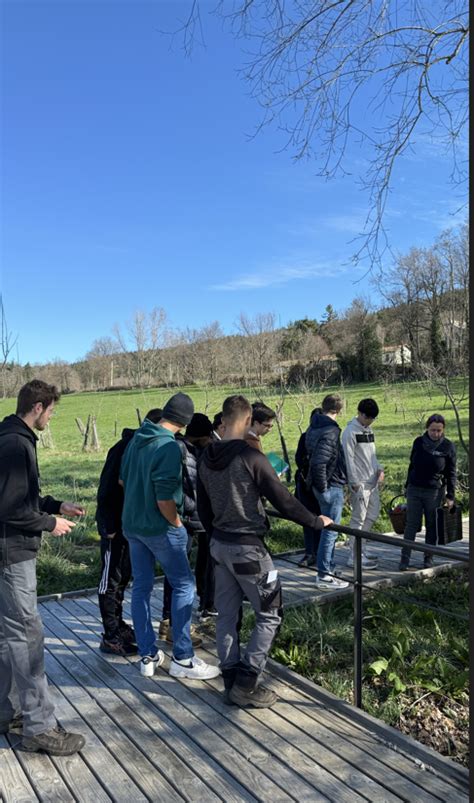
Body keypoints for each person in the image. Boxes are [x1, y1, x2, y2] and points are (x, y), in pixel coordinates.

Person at [197, 394, 332, 708]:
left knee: (227, 617)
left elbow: (203, 507)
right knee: (271, 612)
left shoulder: (205, 457)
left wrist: (216, 534)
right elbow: (283, 499)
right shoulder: (250, 457)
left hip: (219, 546)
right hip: (249, 551)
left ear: (223, 419)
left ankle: (230, 680)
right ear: (246, 421)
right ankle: (246, 683)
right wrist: (315, 521)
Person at [0, 380, 86, 756]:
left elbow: (21, 497)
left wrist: (54, 505)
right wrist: (50, 524)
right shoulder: (16, 444)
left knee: (8, 637)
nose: (52, 417)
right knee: (27, 638)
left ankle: (4, 712)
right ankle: (39, 727)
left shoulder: (8, 436)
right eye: (51, 411)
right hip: (12, 554)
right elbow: (10, 508)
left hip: (6, 551)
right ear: (37, 406)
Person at [120, 392, 219, 680]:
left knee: (140, 588)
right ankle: (184, 658)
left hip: (133, 526)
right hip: (162, 527)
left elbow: (123, 480)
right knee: (184, 586)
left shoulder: (137, 438)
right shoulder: (168, 447)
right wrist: (176, 523)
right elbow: (166, 497)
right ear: (186, 423)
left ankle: (148, 656)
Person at [96, 408, 163, 656]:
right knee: (110, 580)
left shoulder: (144, 448)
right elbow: (106, 489)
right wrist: (107, 526)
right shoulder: (124, 448)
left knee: (123, 577)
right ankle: (110, 636)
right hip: (114, 526)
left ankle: (119, 624)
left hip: (131, 526)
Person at [159, 412, 214, 640]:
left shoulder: (186, 449)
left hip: (185, 519)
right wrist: (195, 510)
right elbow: (183, 489)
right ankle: (177, 629)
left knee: (175, 574)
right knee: (180, 577)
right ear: (202, 435)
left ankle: (167, 623)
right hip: (185, 520)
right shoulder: (183, 452)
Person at [399, 414, 456, 571]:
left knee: (431, 525)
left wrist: (451, 496)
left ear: (443, 430)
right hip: (415, 488)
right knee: (411, 524)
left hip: (434, 491)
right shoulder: (418, 442)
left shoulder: (448, 447)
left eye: (439, 430)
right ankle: (404, 558)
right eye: (432, 430)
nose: (435, 433)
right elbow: (412, 464)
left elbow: (451, 473)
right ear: (427, 428)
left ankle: (428, 558)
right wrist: (407, 485)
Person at [306, 394, 349, 591]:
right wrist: (324, 488)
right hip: (330, 486)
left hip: (320, 485)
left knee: (327, 529)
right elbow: (319, 462)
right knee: (330, 531)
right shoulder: (331, 430)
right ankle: (324, 574)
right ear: (339, 411)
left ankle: (329, 568)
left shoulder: (313, 426)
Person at [341, 398, 384, 570]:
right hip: (360, 484)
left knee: (372, 514)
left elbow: (372, 455)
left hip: (373, 482)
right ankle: (354, 556)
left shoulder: (369, 430)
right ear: (360, 414)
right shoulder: (349, 432)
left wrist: (380, 469)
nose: (370, 421)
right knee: (358, 519)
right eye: (368, 418)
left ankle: (361, 548)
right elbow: (348, 459)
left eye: (373, 419)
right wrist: (354, 483)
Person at [294, 408, 321, 567]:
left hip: (319, 484)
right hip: (305, 484)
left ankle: (317, 553)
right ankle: (310, 552)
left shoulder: (324, 437)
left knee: (319, 519)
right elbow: (298, 458)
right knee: (308, 519)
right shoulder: (305, 437)